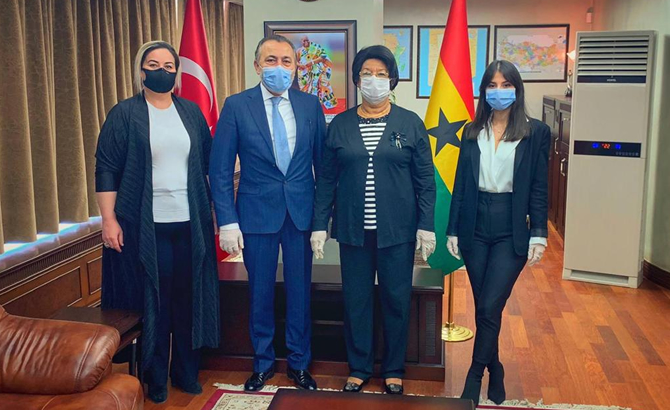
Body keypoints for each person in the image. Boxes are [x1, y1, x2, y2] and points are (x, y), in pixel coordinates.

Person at [95, 40, 220, 404]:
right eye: (153, 65)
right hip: (144, 227)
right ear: (141, 71)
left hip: (190, 224)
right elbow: (106, 169)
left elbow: (207, 165)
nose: (161, 71)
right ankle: (155, 378)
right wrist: (108, 219)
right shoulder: (124, 114)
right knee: (155, 301)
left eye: (168, 66)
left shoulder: (191, 112)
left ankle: (186, 371)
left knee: (187, 298)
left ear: (176, 73)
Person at [311, 45, 436, 395]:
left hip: (397, 233)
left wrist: (426, 224)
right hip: (353, 232)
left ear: (392, 80)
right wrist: (320, 224)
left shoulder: (410, 123)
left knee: (396, 300)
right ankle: (359, 367)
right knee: (357, 301)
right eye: (367, 73)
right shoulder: (340, 124)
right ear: (356, 79)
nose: (374, 80)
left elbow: (425, 181)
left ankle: (393, 369)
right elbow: (326, 180)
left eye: (382, 74)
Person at [209, 35, 326, 392]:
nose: (279, 68)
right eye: (271, 60)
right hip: (256, 215)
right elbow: (220, 169)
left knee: (299, 293)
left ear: (296, 67)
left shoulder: (310, 106)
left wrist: (321, 221)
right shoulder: (236, 106)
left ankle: (299, 363)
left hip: (300, 214)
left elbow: (324, 167)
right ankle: (262, 363)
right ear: (257, 66)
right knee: (259, 293)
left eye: (286, 61)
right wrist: (227, 221)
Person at [446, 60, 550, 406]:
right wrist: (452, 230)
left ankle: (475, 375)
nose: (499, 91)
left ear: (517, 90)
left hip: (511, 228)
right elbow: (461, 185)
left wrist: (539, 232)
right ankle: (496, 366)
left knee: (491, 303)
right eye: (492, 85)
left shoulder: (535, 132)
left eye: (506, 85)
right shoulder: (471, 131)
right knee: (485, 308)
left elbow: (539, 187)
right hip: (474, 226)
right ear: (484, 91)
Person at [295, 35, 338, 110]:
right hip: (305, 72)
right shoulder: (299, 51)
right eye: (303, 40)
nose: (305, 42)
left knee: (323, 85)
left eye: (306, 40)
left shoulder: (316, 47)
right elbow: (295, 61)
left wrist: (312, 62)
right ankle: (310, 104)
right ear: (301, 41)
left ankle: (329, 104)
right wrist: (301, 65)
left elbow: (323, 56)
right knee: (306, 89)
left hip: (318, 71)